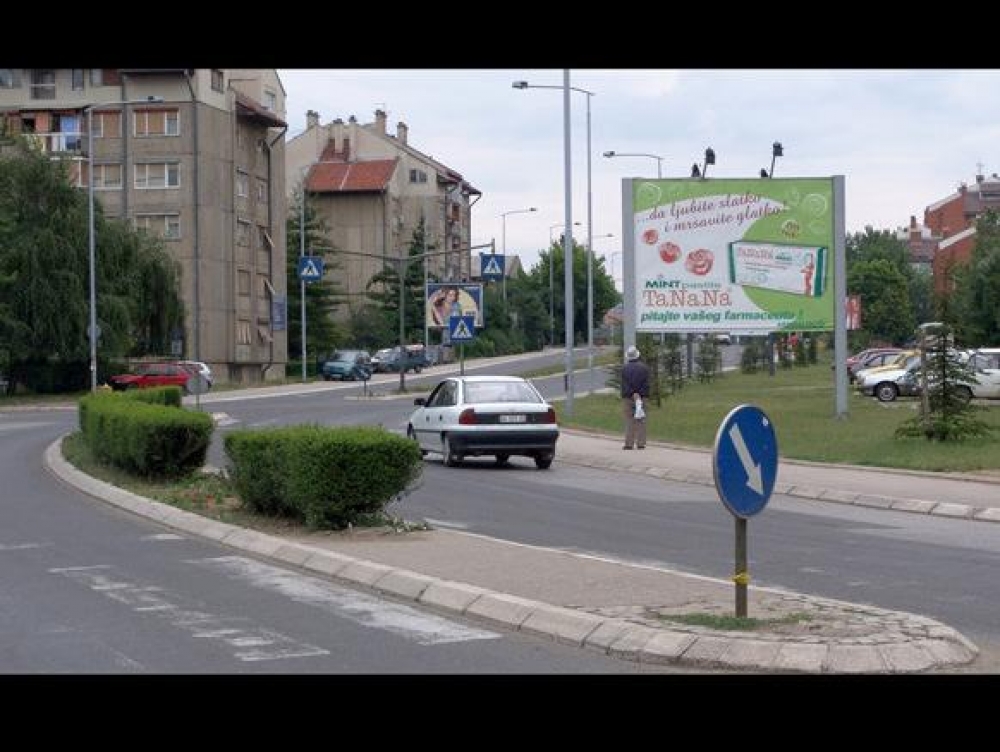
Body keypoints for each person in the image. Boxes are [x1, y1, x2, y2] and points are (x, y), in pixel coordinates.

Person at [621, 345, 650, 450]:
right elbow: (645, 383)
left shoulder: (624, 369)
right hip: (642, 397)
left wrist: (633, 393)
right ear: (637, 356)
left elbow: (626, 384)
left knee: (629, 420)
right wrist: (638, 393)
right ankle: (641, 443)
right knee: (641, 419)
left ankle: (629, 443)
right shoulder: (644, 368)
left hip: (628, 397)